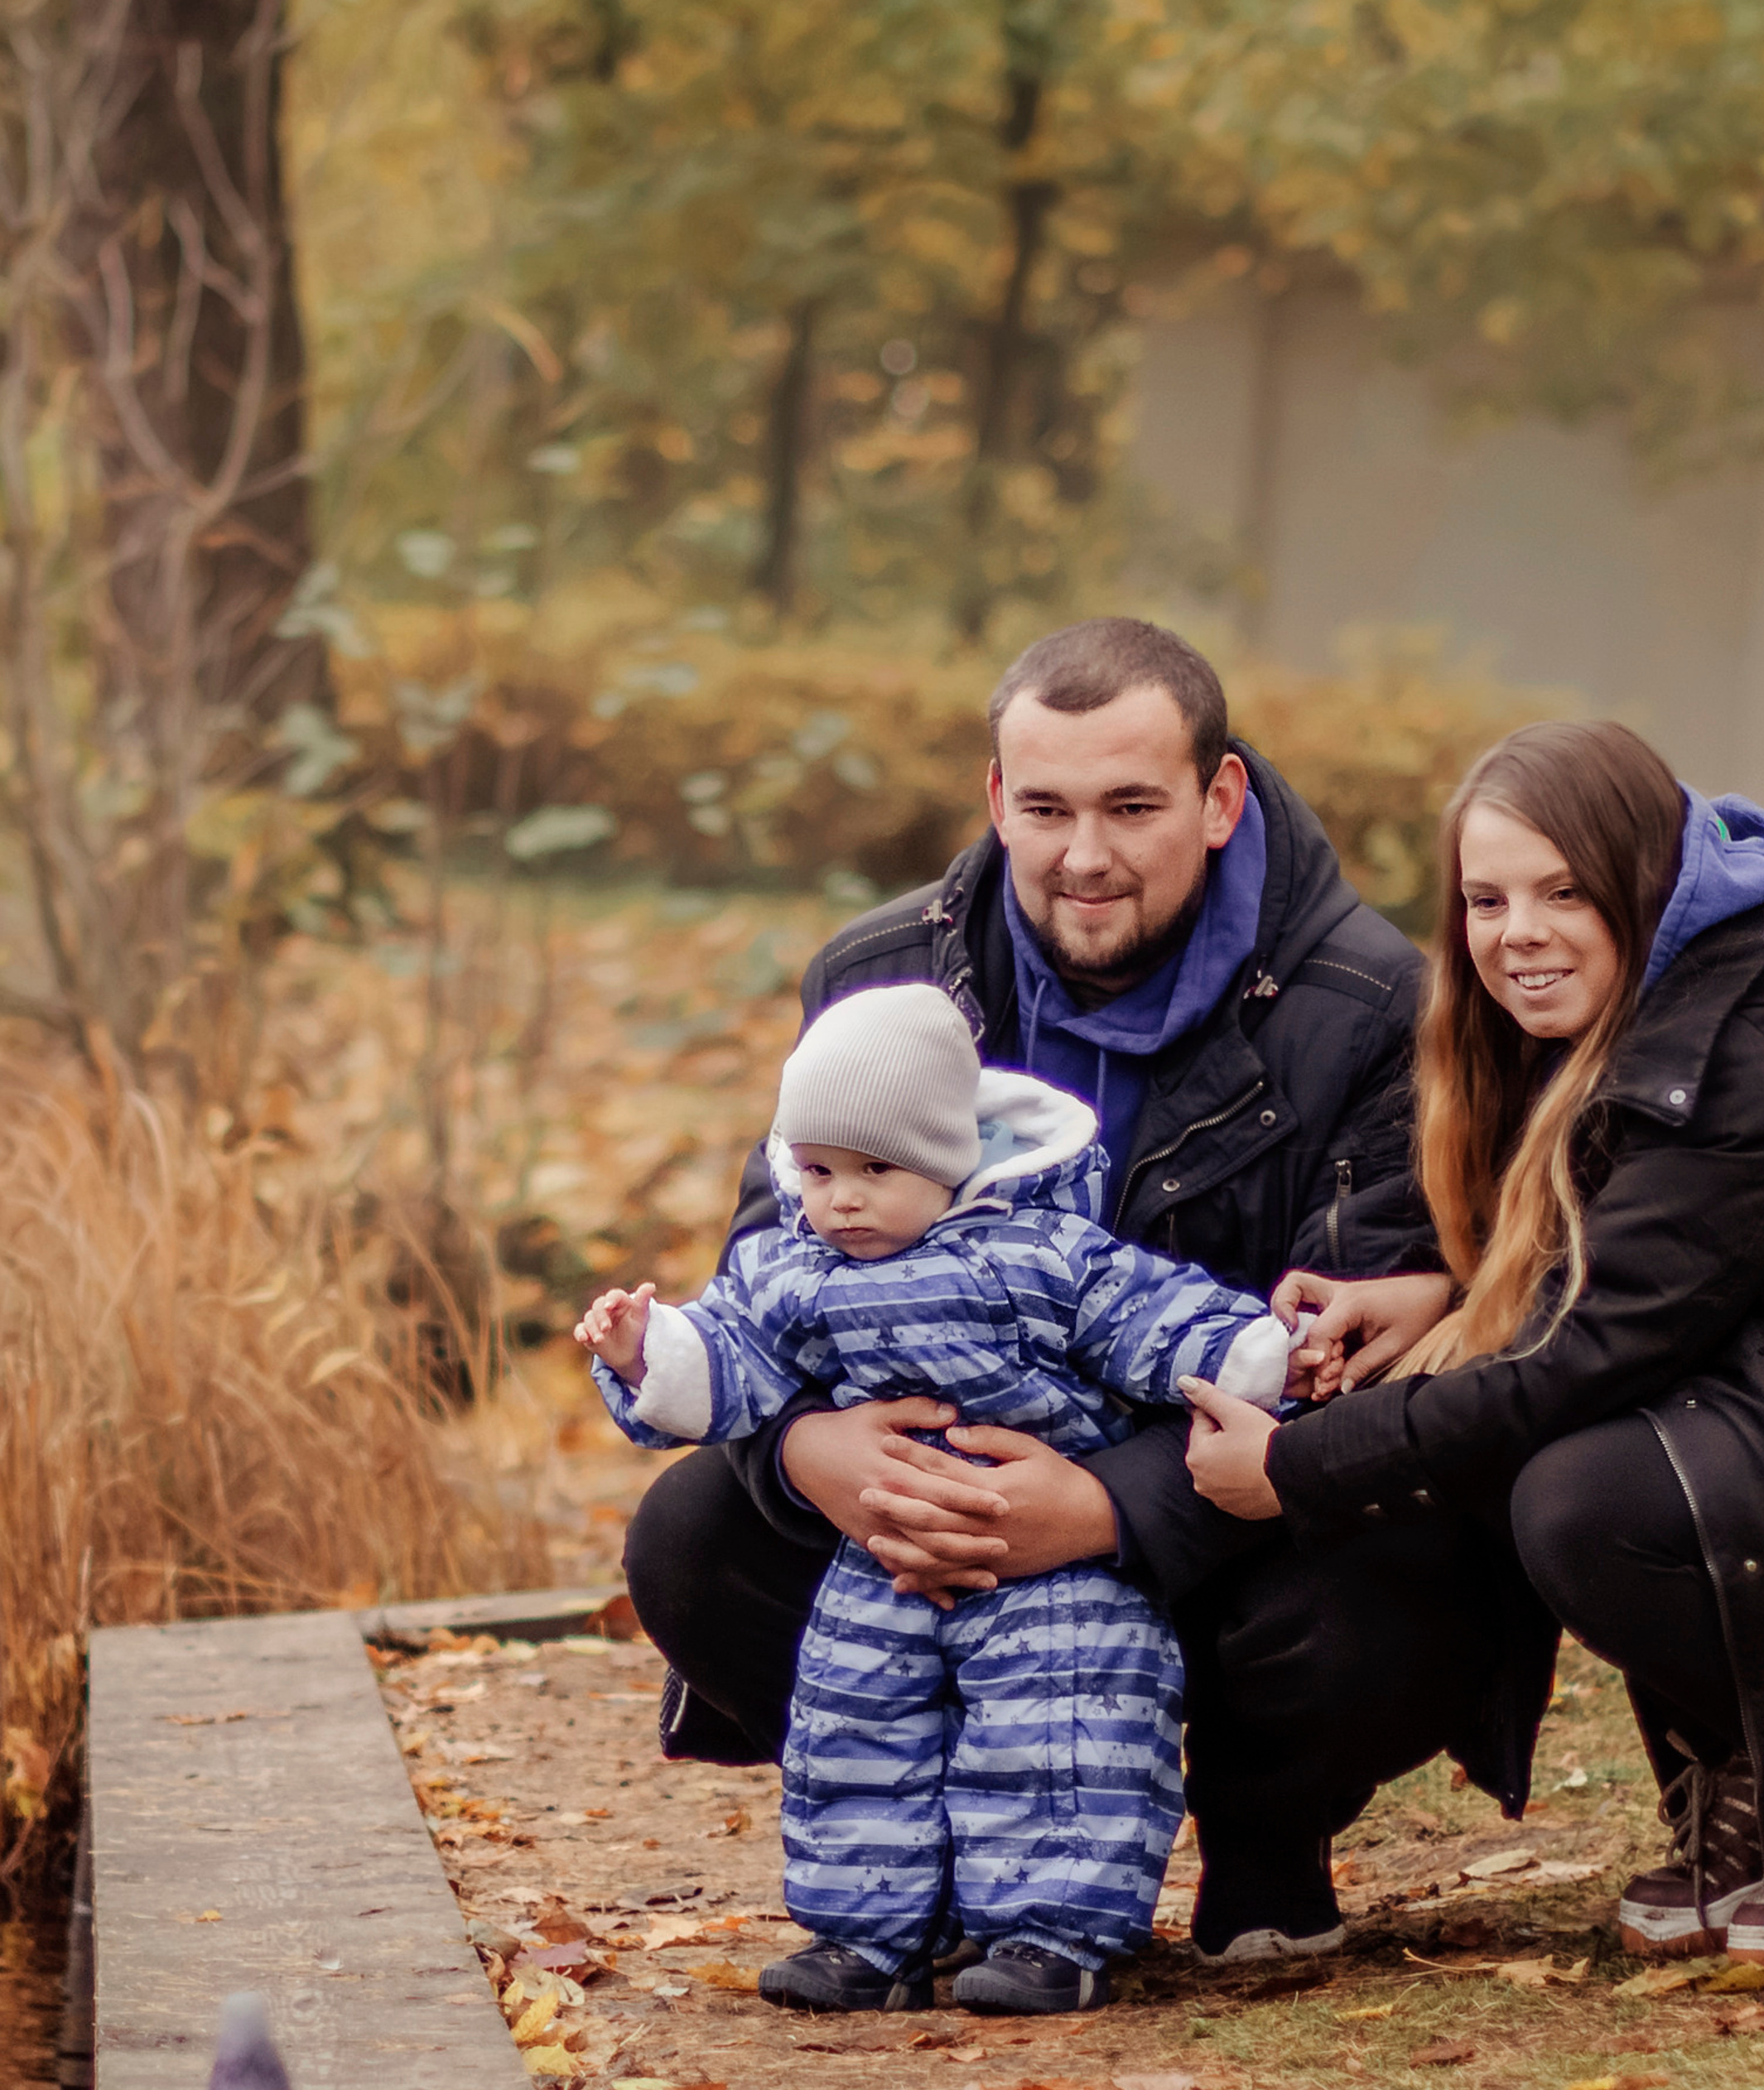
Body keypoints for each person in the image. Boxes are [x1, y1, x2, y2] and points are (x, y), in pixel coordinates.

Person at [624, 614, 1434, 1963]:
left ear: (1220, 798)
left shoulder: (1371, 1006)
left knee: (1395, 1570)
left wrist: (1108, 1504)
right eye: (1046, 807)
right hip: (927, 1498)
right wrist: (811, 1449)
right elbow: (767, 1275)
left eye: (1133, 806)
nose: (1085, 856)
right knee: (692, 1534)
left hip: (1227, 1499)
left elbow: (1350, 1363)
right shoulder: (873, 977)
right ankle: (922, 1867)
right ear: (998, 798)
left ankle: (1265, 1840)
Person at [578, 984, 1297, 2015]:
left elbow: (1148, 1312)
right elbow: (730, 1357)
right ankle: (872, 1937)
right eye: (819, 1172)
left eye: (877, 1171)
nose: (843, 1201)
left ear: (948, 1160)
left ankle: (1052, 1934)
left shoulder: (1039, 1251)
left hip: (1057, 1558)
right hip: (886, 1558)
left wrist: (1249, 1352)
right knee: (853, 1725)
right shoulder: (792, 1271)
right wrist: (648, 1350)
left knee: (1067, 1731)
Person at [1183, 717, 1764, 1957]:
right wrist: (1442, 1292)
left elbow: (1598, 1347)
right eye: (1486, 899)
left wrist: (1291, 1471)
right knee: (1593, 1469)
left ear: (1646, 882)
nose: (1519, 934)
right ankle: (1736, 1788)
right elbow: (1633, 1267)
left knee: (1589, 1493)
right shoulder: (1601, 1024)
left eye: (1565, 892)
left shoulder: (1739, 1033)